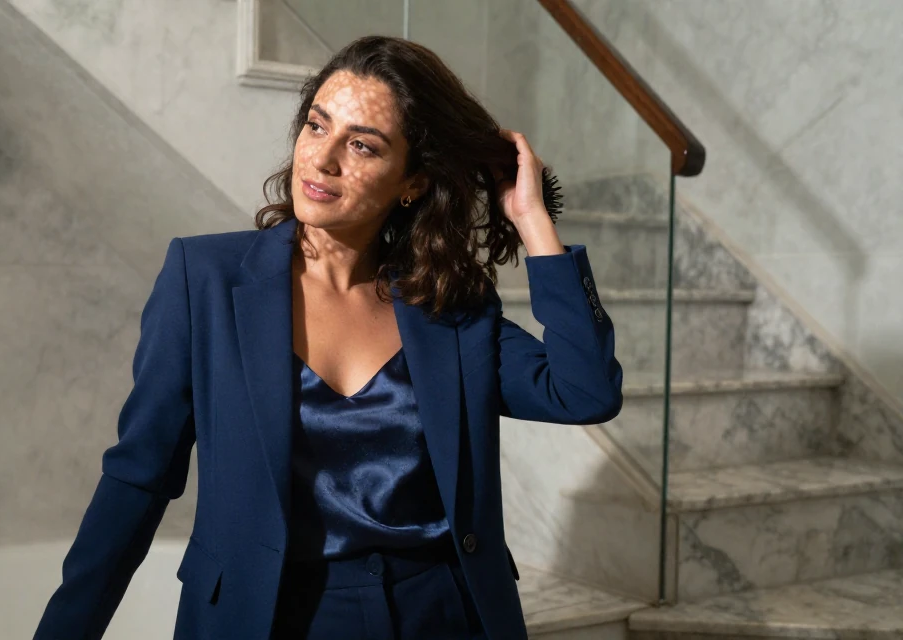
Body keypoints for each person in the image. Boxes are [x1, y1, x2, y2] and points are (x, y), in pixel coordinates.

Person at [34, 35, 623, 640]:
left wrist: (532, 221)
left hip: (439, 614)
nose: (322, 158)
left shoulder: (448, 306)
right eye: (316, 127)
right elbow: (139, 475)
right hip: (263, 617)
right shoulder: (203, 278)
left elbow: (585, 391)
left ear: (412, 183)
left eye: (362, 145)